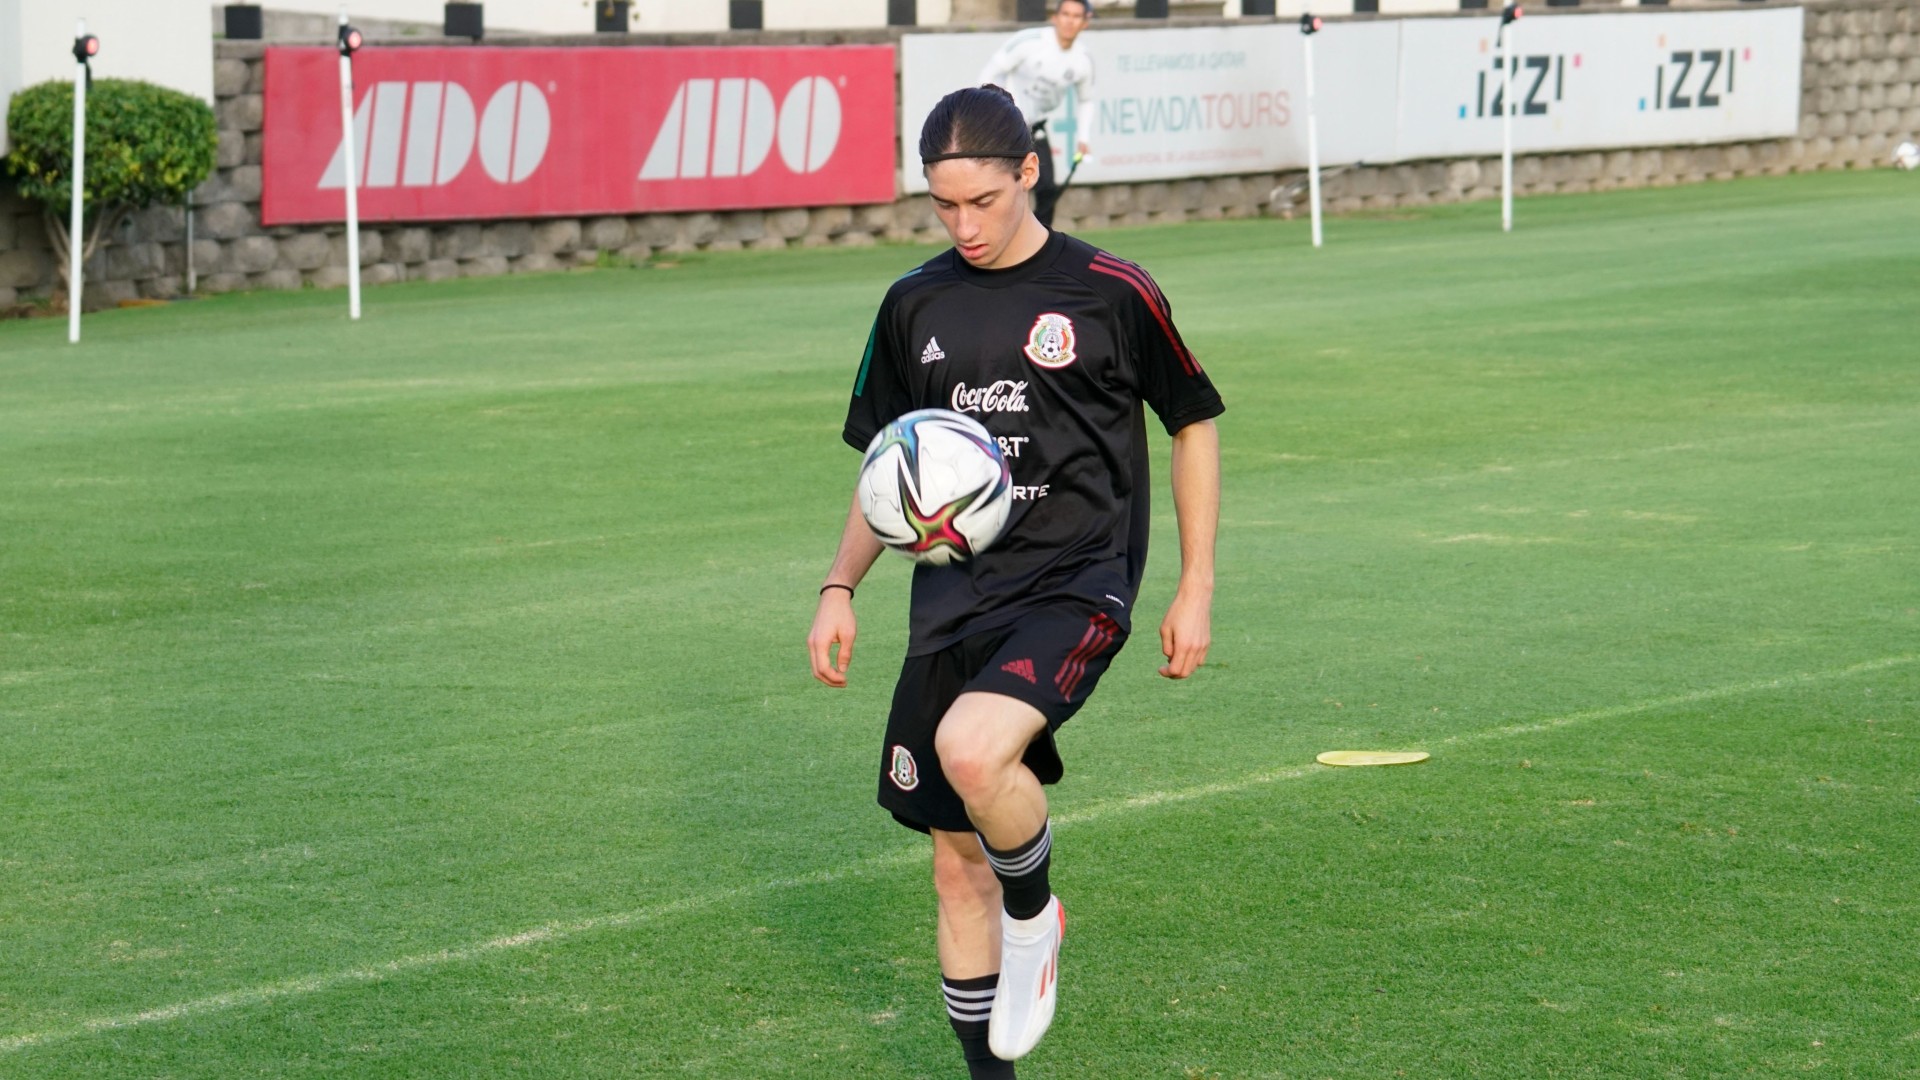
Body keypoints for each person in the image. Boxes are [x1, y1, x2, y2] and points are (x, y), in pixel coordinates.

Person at [806, 84, 1222, 1078]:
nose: (965, 226)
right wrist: (838, 587)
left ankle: (1037, 915)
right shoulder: (914, 302)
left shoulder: (1113, 290)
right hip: (951, 600)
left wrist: (1195, 582)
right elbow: (893, 471)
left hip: (1076, 585)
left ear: (1029, 173)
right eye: (943, 206)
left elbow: (1193, 421)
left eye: (983, 201)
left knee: (972, 749)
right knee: (955, 864)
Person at [979, 0, 1095, 229]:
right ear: (1055, 17)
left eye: (1076, 16)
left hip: (1036, 129)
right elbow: (991, 72)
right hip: (1005, 128)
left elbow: (1086, 99)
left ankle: (1039, 247)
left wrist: (1083, 138)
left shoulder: (1083, 60)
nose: (1069, 21)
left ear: (1085, 22)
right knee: (1000, 187)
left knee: (1047, 189)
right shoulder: (1029, 42)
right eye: (1065, 14)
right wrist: (997, 112)